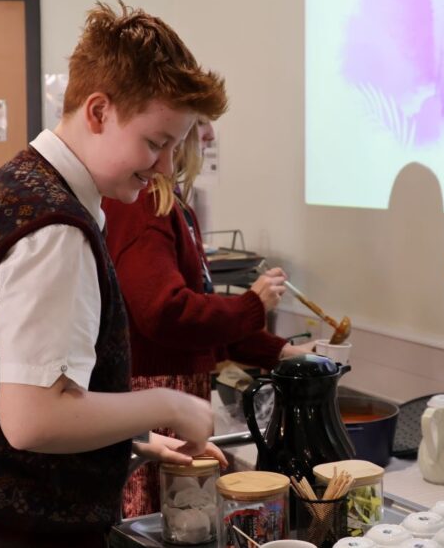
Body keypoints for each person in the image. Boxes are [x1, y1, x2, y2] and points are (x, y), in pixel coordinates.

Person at [0, 2, 228, 548]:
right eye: (156, 143)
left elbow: (27, 387)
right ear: (99, 111)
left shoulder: (22, 183)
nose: (164, 168)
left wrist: (140, 440)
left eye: (175, 147)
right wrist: (171, 404)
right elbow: (34, 419)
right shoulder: (54, 227)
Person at [102, 119, 315, 516]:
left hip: (174, 394)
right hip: (156, 398)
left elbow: (204, 321)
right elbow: (166, 313)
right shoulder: (148, 204)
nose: (212, 135)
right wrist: (252, 306)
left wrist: (284, 351)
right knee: (159, 523)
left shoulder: (172, 202)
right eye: (200, 123)